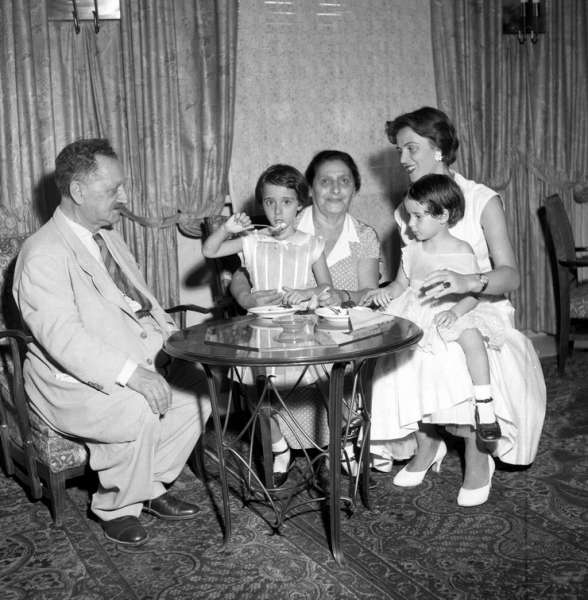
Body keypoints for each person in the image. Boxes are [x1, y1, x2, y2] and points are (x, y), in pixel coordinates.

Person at [13, 139, 211, 546]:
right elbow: (64, 339)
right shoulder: (42, 254)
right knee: (139, 404)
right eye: (112, 189)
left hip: (129, 354)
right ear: (77, 191)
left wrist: (170, 338)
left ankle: (149, 486)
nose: (124, 197)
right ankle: (117, 507)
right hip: (68, 381)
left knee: (199, 390)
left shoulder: (107, 237)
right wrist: (132, 373)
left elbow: (136, 301)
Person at [368, 107, 546, 507]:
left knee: (449, 351)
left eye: (411, 148)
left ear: (439, 149)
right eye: (399, 150)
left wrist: (469, 282)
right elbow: (406, 277)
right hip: (423, 303)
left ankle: (477, 452)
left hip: (479, 304)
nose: (403, 159)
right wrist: (379, 300)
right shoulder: (409, 207)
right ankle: (427, 441)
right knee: (397, 346)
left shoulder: (482, 200)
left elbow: (511, 276)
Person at [229, 151, 381, 479]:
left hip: (339, 325)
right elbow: (241, 272)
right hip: (286, 326)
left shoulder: (364, 235)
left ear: (355, 187)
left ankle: (341, 441)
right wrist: (245, 296)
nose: (335, 189)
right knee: (255, 367)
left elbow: (369, 293)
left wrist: (342, 295)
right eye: (325, 181)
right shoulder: (285, 218)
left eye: (344, 181)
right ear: (309, 190)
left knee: (336, 363)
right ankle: (279, 444)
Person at [203, 163, 332, 485]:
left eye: (286, 202)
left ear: (300, 204)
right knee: (260, 400)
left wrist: (309, 292)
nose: (277, 210)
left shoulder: (311, 243)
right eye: (270, 202)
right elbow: (210, 249)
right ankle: (279, 447)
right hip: (260, 333)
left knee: (325, 389)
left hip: (300, 332)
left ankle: (332, 449)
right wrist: (228, 228)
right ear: (262, 203)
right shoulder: (252, 241)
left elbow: (327, 289)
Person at [362, 173, 503, 446]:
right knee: (389, 350)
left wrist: (456, 312)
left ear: (443, 215)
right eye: (409, 216)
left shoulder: (461, 250)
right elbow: (400, 285)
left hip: (451, 307)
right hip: (416, 310)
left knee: (472, 338)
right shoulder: (411, 251)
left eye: (417, 217)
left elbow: (473, 294)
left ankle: (484, 403)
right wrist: (385, 293)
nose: (410, 224)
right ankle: (413, 428)